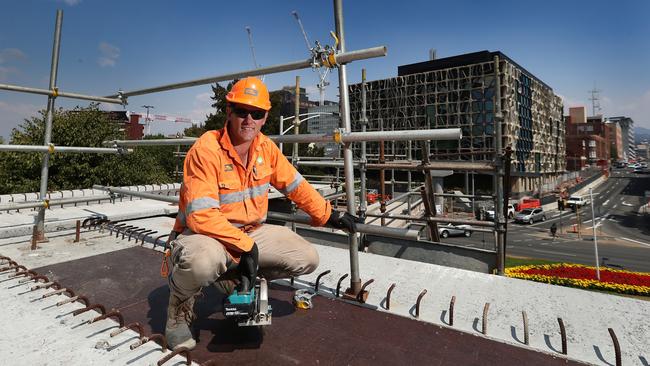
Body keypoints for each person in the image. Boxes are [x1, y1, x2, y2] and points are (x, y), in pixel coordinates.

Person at [165, 77, 360, 350]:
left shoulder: (265, 148)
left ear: (265, 117)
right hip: (207, 235)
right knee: (201, 263)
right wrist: (245, 247)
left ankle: (234, 281)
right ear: (229, 112)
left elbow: (295, 185)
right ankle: (178, 309)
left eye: (256, 114)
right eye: (242, 111)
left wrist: (329, 215)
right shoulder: (207, 149)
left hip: (250, 232)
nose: (249, 120)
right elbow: (201, 215)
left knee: (306, 258)